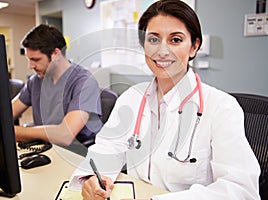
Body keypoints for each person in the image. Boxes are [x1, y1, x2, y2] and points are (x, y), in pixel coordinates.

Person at [68, 0, 261, 199]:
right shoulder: (131, 98)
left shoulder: (221, 107)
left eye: (175, 40)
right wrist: (94, 178)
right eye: (153, 39)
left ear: (194, 47)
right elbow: (107, 148)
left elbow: (241, 189)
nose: (162, 51)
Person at [12, 24, 103, 148]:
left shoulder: (84, 82)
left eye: (36, 60)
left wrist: (16, 131)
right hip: (47, 149)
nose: (30, 66)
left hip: (77, 154)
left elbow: (65, 135)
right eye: (29, 59)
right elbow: (9, 111)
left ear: (56, 53)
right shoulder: (35, 81)